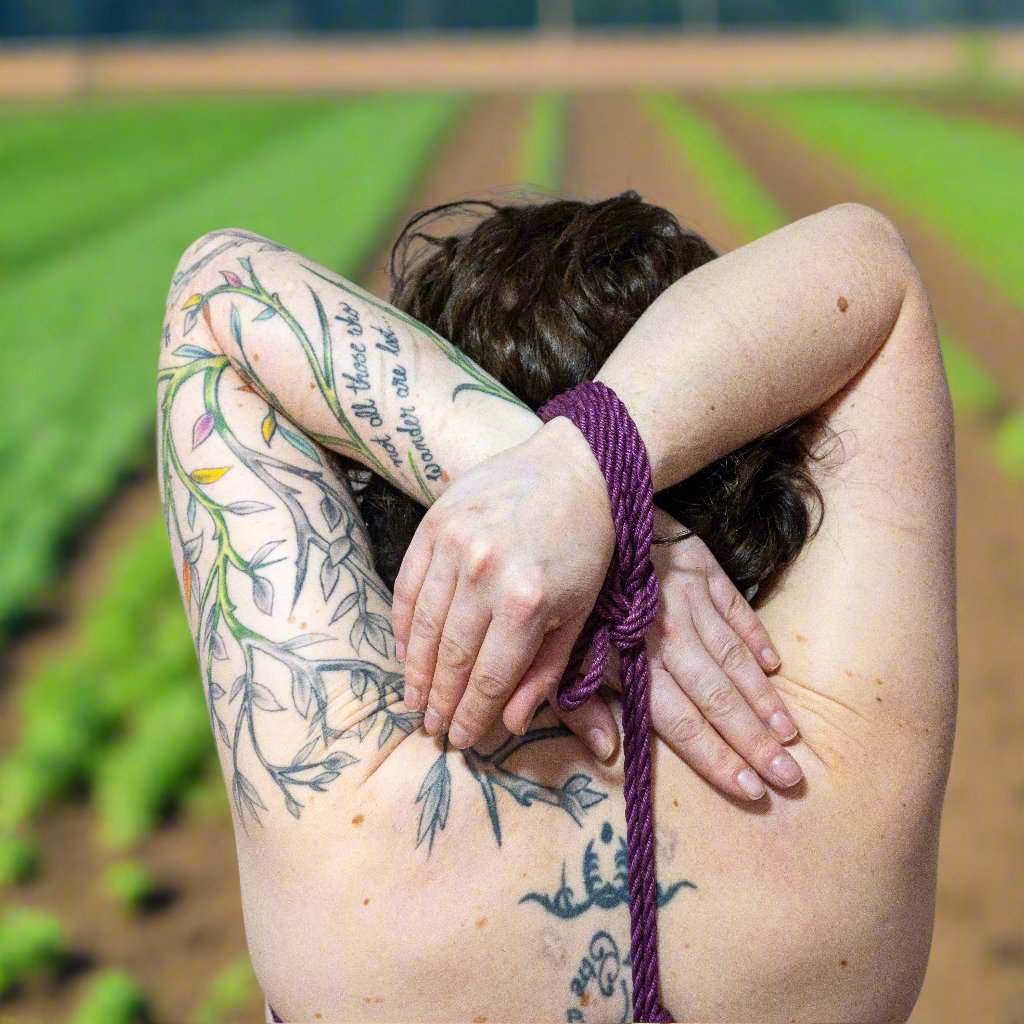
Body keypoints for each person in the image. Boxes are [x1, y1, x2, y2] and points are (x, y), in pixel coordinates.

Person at [157, 194, 957, 1023]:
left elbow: (215, 299)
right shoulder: (828, 793)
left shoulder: (344, 818)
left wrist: (541, 484)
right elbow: (871, 268)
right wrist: (592, 469)